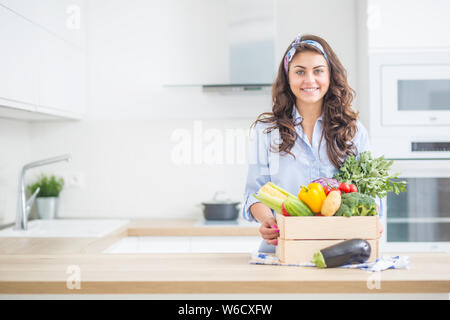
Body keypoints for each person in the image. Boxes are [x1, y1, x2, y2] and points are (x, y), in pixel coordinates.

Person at [242, 33, 382, 253]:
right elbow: (255, 192)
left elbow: (372, 194)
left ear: (330, 76)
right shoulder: (267, 131)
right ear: (288, 77)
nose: (309, 80)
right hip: (283, 248)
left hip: (339, 249)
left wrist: (372, 219)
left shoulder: (353, 131)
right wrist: (266, 220)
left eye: (318, 71)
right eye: (299, 72)